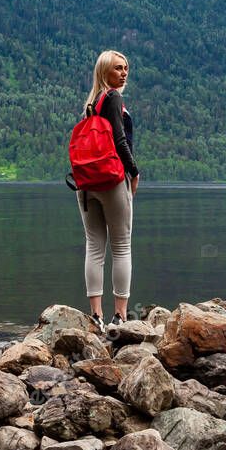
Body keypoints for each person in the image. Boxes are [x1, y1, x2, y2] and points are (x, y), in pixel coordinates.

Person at [77, 49, 140, 332]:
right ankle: (120, 317)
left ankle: (95, 316)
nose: (124, 72)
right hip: (113, 180)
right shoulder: (113, 98)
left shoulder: (91, 103)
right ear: (105, 72)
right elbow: (118, 139)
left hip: (86, 183)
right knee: (122, 246)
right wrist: (134, 172)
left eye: (126, 68)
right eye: (117, 68)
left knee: (94, 247)